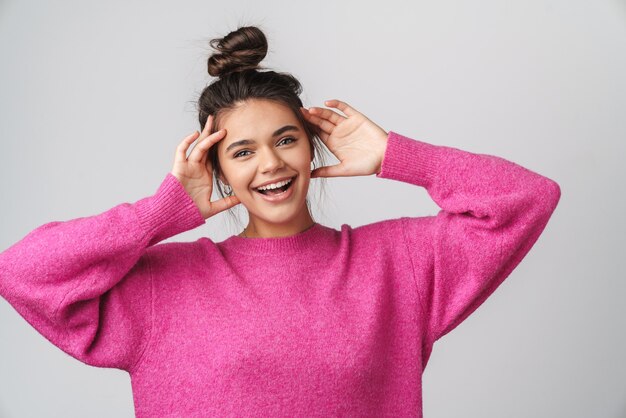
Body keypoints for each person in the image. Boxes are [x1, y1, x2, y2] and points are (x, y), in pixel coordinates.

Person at [0, 26, 561, 417]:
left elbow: (524, 199)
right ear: (216, 169)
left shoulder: (397, 264)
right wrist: (159, 213)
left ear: (312, 148)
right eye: (242, 151)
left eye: (286, 139)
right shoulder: (162, 284)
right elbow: (22, 273)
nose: (270, 163)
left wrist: (396, 154)